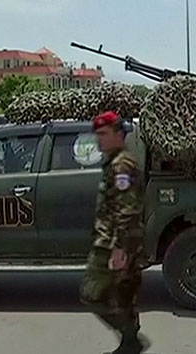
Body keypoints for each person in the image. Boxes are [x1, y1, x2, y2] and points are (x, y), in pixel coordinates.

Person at [80, 111, 150, 354]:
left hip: (113, 243)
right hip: (117, 241)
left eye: (104, 134)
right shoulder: (114, 162)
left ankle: (131, 337)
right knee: (123, 294)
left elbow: (127, 210)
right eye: (97, 134)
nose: (99, 139)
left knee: (91, 294)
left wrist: (119, 248)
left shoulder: (122, 166)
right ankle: (130, 342)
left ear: (119, 135)